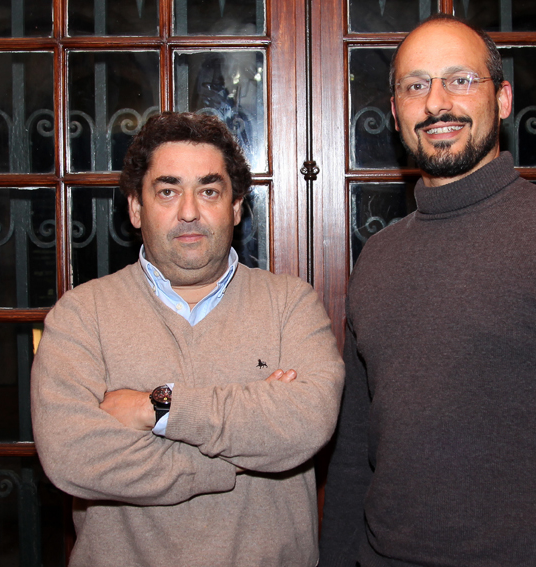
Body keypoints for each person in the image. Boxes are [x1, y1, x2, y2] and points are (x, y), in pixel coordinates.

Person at [319, 13, 536, 567]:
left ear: (502, 100)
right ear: (395, 111)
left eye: (460, 80)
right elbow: (353, 450)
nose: (436, 103)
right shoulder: (378, 258)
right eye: (416, 85)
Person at [31, 112, 344, 566]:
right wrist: (239, 455)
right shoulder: (81, 316)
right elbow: (72, 456)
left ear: (236, 207)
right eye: (168, 191)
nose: (190, 211)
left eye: (209, 191)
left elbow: (307, 423)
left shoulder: (290, 304)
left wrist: (156, 408)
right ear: (135, 208)